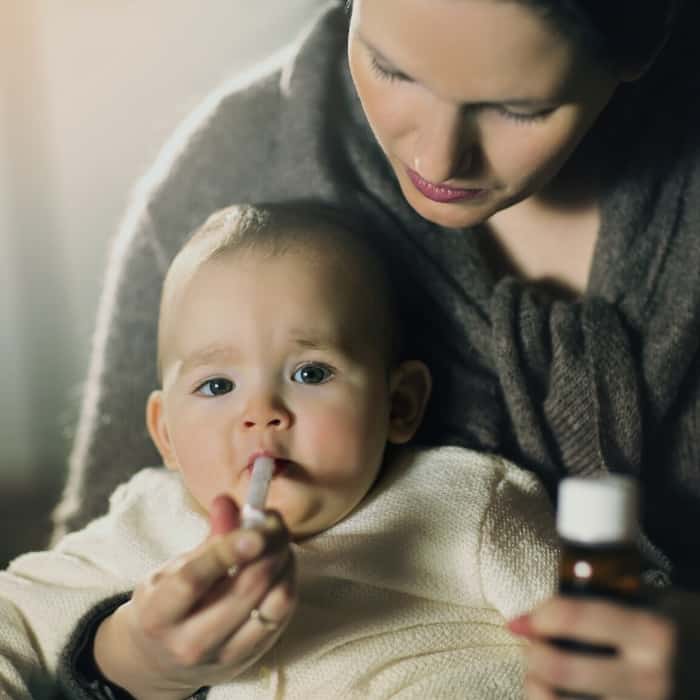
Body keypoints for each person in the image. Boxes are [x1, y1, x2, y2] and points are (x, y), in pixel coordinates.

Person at [51, 1, 700, 697]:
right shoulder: (226, 174)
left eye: (518, 108)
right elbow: (76, 588)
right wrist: (125, 661)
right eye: (391, 68)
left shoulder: (475, 513)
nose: (437, 158)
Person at [0, 203, 559, 699]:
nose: (263, 410)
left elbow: (599, 629)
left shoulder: (466, 501)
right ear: (166, 433)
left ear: (400, 406)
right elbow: (14, 616)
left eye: (311, 372)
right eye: (217, 385)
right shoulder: (146, 523)